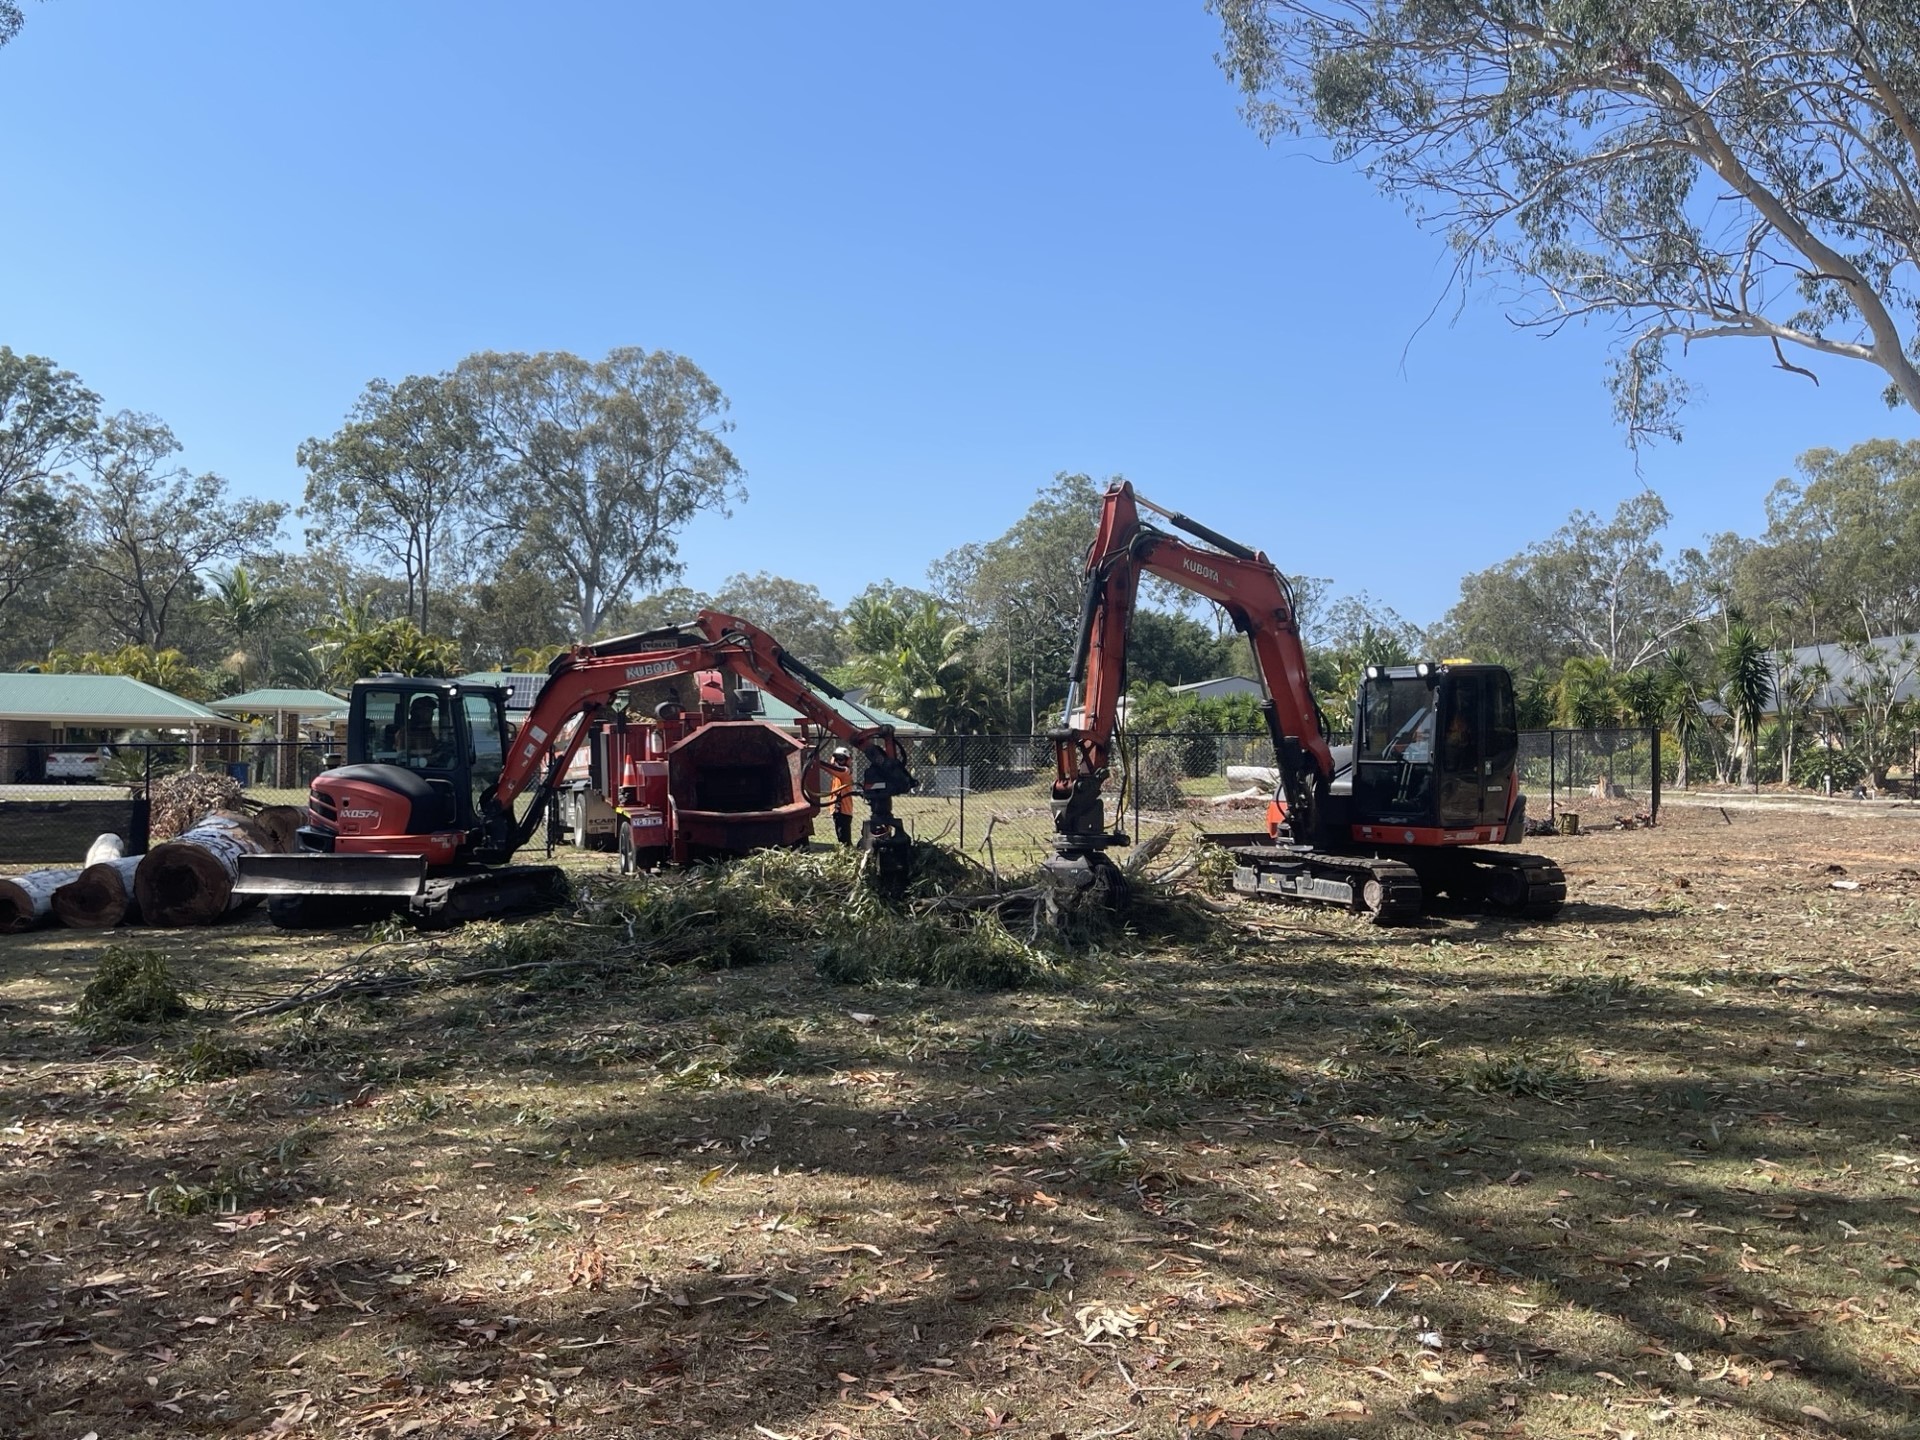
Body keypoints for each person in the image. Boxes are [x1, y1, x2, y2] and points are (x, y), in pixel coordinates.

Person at [821, 746, 856, 845]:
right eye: (838, 758)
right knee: (842, 837)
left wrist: (817, 761)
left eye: (842, 759)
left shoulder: (845, 771)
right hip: (840, 810)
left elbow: (832, 767)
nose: (839, 761)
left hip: (842, 810)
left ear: (848, 760)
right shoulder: (837, 770)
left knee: (844, 840)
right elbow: (832, 765)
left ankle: (848, 855)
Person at [402, 696, 443, 765]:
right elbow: (402, 754)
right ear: (417, 712)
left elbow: (434, 747)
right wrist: (428, 755)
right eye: (428, 711)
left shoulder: (427, 732)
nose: (432, 714)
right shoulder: (405, 732)